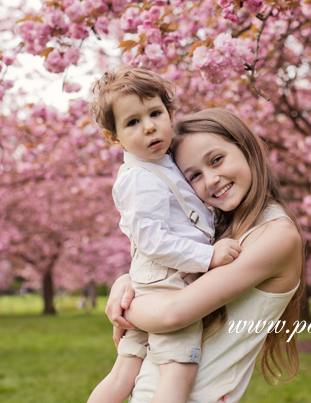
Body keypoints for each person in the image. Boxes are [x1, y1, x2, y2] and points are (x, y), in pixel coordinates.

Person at [106, 108, 306, 403]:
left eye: (217, 160)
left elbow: (173, 313)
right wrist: (127, 280)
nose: (211, 180)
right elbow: (174, 278)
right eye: (195, 176)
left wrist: (125, 308)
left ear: (246, 148)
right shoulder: (219, 236)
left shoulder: (275, 236)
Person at [87, 66, 243, 403]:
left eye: (155, 113)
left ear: (170, 114)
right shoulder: (139, 178)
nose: (149, 127)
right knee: (177, 372)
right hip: (168, 284)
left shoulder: (163, 164)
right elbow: (151, 241)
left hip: (151, 283)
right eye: (132, 122)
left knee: (123, 372)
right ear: (113, 138)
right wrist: (209, 256)